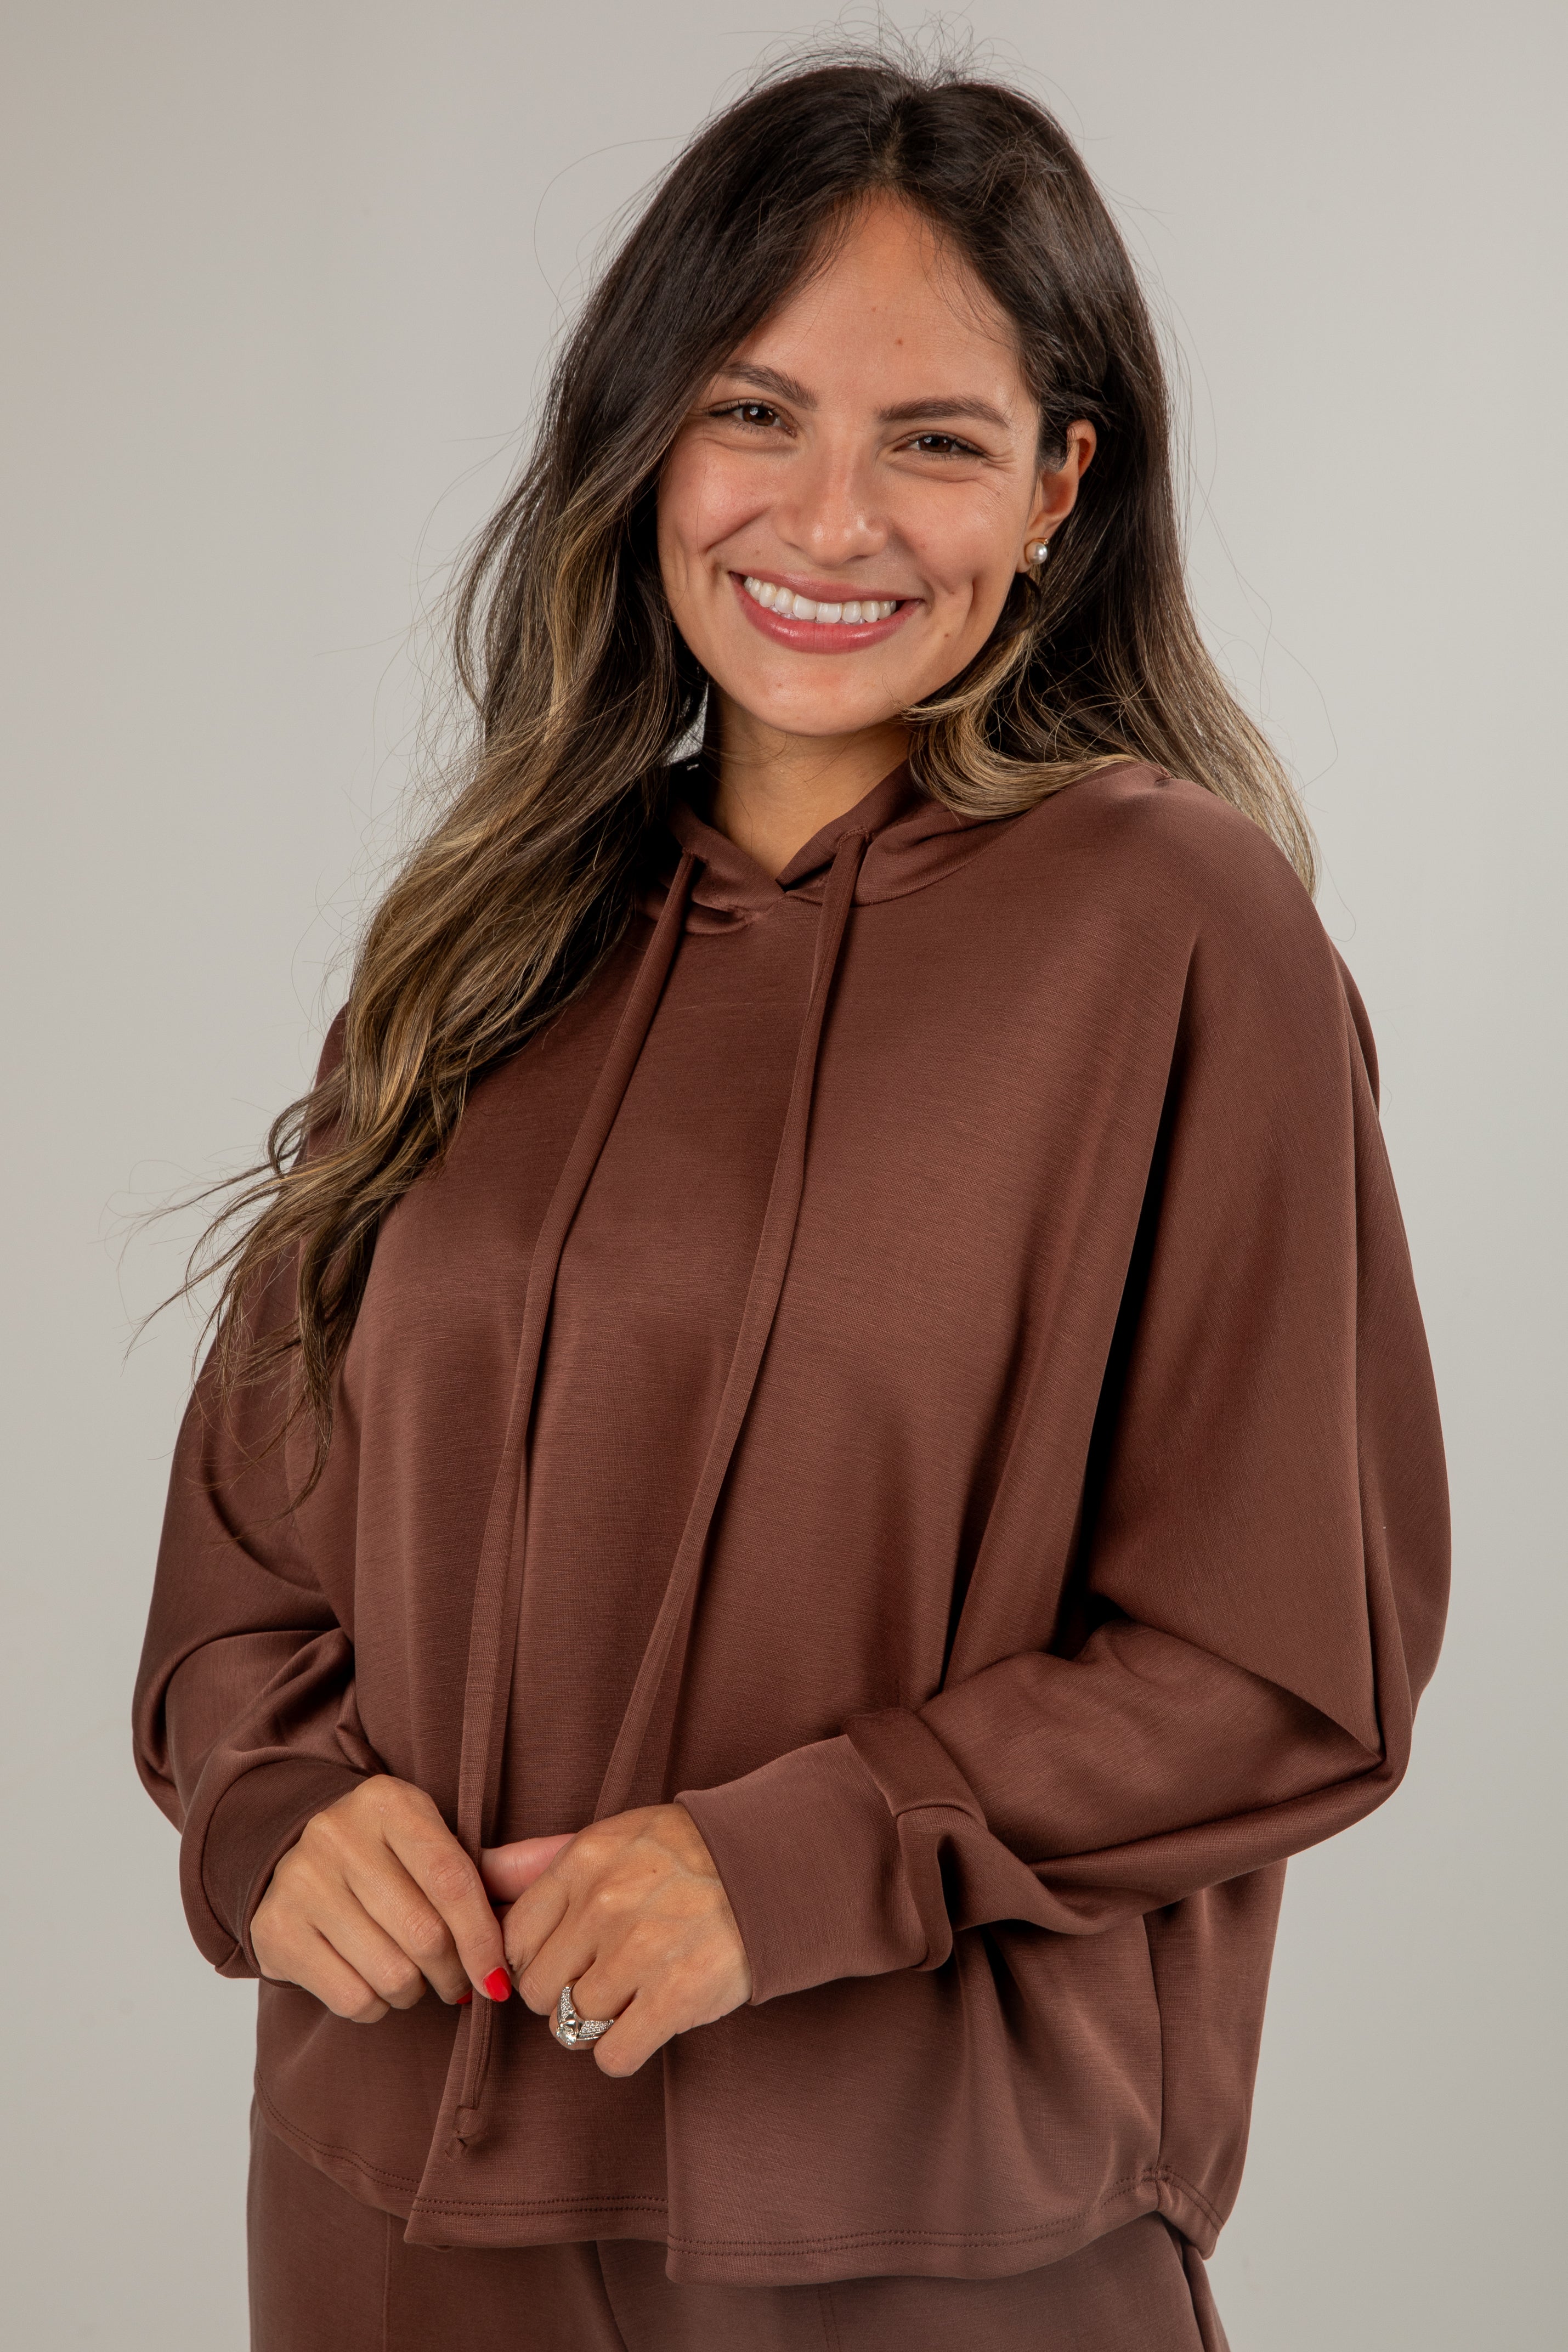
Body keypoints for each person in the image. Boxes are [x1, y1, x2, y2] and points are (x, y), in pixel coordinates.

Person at [133, 47, 1449, 2352]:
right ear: (647, 442)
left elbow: (1281, 1660)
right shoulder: (490, 935)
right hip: (391, 2228)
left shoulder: (1176, 931)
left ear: (1058, 486)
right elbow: (250, 1560)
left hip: (931, 2241)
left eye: (929, 439)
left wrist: (793, 1863)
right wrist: (271, 1813)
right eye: (754, 415)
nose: (825, 518)